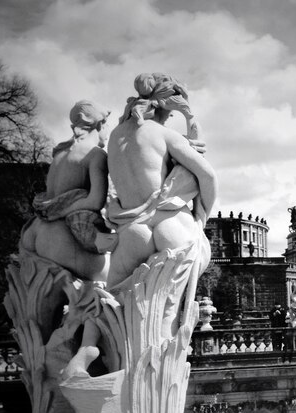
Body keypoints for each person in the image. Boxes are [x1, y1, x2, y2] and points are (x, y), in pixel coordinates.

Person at [63, 73, 217, 378]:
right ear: (166, 109)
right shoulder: (162, 135)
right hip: (170, 224)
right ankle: (157, 379)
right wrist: (201, 216)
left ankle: (87, 354)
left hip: (131, 230)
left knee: (111, 301)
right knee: (167, 313)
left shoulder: (116, 138)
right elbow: (208, 176)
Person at [20, 100, 112, 281]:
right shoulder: (95, 155)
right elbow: (95, 201)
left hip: (35, 231)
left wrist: (53, 210)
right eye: (108, 124)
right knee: (119, 275)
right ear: (100, 124)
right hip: (62, 236)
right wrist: (61, 210)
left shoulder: (59, 154)